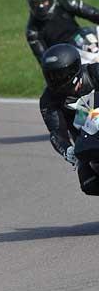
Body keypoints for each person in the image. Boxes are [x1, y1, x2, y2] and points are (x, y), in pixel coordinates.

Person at [39, 43, 99, 195]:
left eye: (60, 75)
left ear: (74, 69)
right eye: (51, 76)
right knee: (89, 184)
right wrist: (68, 151)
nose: (55, 80)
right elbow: (56, 132)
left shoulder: (94, 73)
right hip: (87, 142)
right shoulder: (48, 100)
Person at [25, 0, 99, 62]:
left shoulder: (65, 5)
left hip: (81, 38)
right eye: (36, 3)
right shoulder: (32, 30)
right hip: (66, 56)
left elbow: (93, 14)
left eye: (44, 2)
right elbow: (44, 59)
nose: (41, 6)